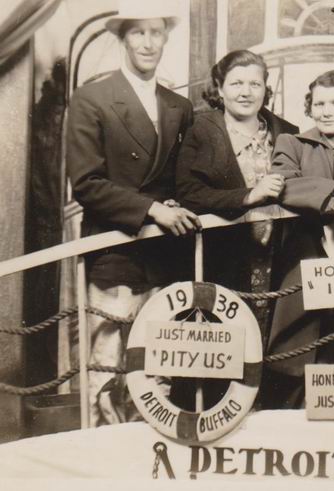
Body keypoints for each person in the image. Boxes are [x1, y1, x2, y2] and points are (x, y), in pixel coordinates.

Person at [66, 0, 199, 426]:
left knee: (158, 368)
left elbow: (184, 180)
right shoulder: (92, 99)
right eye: (138, 32)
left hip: (165, 257)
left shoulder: (179, 106)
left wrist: (177, 204)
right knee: (105, 368)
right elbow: (86, 184)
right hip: (115, 255)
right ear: (122, 38)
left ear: (166, 38)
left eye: (156, 32)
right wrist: (152, 209)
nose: (148, 42)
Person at [261, 70, 334, 409]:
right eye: (319, 103)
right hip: (303, 261)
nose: (327, 111)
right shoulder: (293, 144)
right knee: (294, 352)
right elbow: (282, 184)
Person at [176, 50, 298, 332]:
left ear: (265, 89)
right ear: (220, 88)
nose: (246, 92)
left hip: (278, 260)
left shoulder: (287, 132)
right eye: (236, 83)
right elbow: (188, 193)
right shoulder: (200, 131)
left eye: (254, 84)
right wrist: (248, 196)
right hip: (223, 258)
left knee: (277, 343)